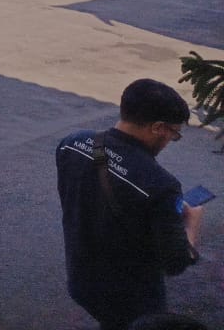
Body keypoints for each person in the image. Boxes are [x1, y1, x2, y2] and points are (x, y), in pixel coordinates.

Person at [56, 78, 204, 330]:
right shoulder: (160, 185)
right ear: (158, 127)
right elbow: (175, 262)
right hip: (130, 298)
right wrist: (191, 224)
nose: (171, 140)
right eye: (174, 134)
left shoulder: (72, 143)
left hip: (81, 277)